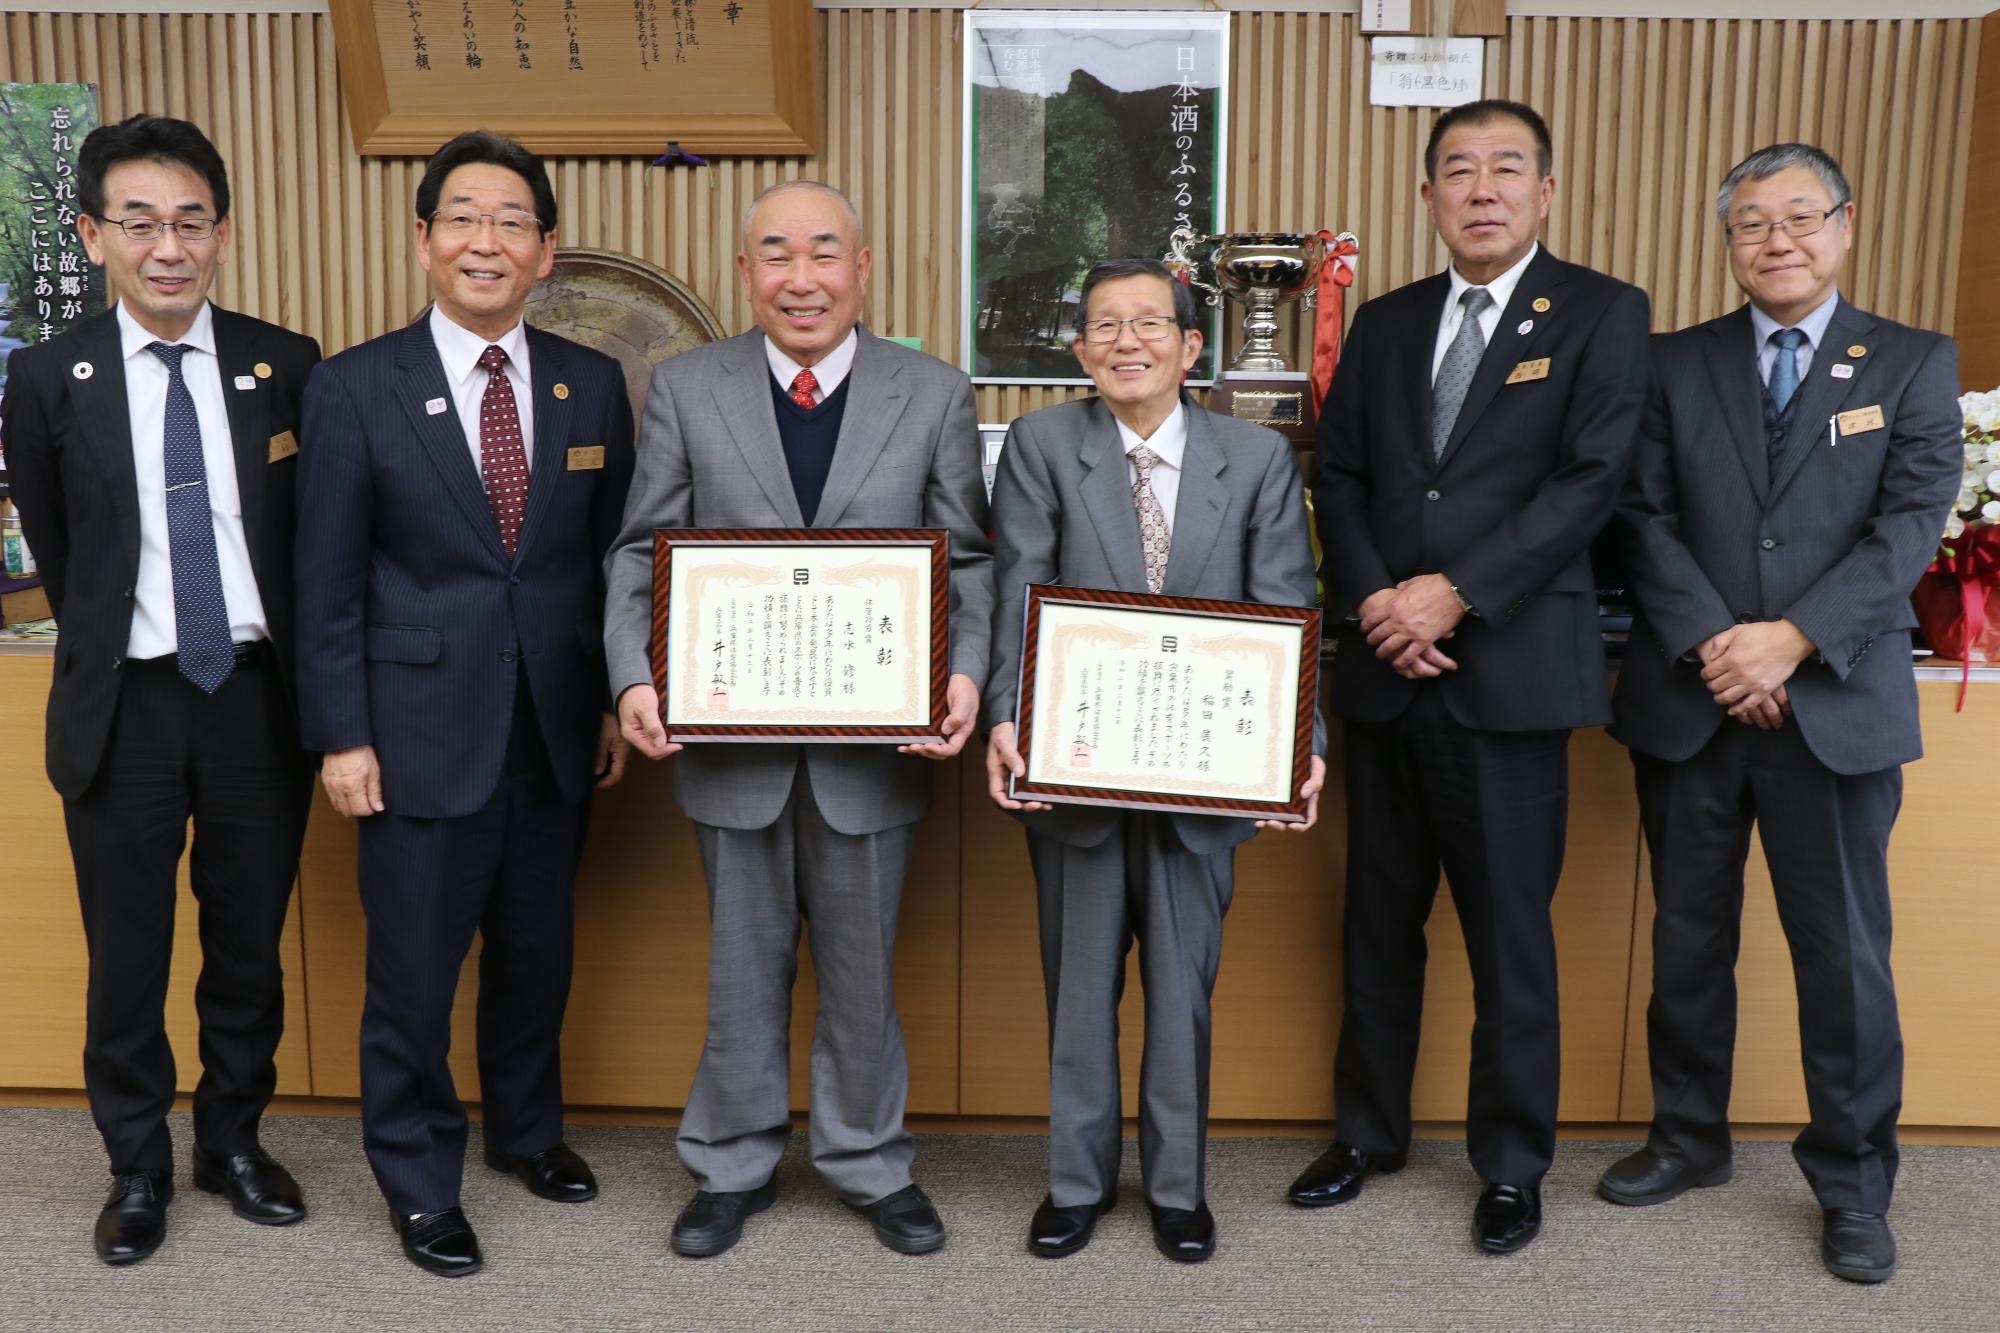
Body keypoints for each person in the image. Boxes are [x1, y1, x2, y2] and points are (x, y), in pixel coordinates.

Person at [605, 180, 993, 1258]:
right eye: (775, 254)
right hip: (731, 743)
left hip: (877, 747)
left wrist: (961, 675)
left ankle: (867, 1161)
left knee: (865, 969)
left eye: (823, 252)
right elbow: (642, 549)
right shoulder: (689, 388)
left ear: (861, 269)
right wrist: (634, 676)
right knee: (741, 965)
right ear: (745, 275)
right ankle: (729, 1162)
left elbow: (966, 556)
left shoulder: (931, 391)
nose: (801, 276)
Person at [1602, 143, 1961, 1284]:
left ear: (1843, 227)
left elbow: (1907, 527)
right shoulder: (1670, 362)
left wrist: (1789, 640)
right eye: (1751, 222)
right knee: (1685, 939)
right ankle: (1685, 1137)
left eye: (1799, 218)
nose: (1776, 240)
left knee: (1843, 959)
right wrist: (1719, 644)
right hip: (1692, 700)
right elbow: (1639, 516)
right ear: (1727, 240)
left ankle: (1854, 1182)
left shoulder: (1908, 362)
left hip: (1834, 706)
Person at [1296, 98, 1650, 1254]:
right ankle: (1366, 1132)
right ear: (1428, 195)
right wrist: (1370, 604)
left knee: (1508, 935)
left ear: (1544, 193)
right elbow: (1338, 476)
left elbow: (1588, 481)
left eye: (1506, 169)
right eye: (1457, 170)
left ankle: (1508, 1164)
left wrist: (1454, 591)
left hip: (1507, 672)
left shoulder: (1601, 312)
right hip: (1388, 674)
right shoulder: (1390, 324)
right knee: (1374, 921)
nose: (1481, 188)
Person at [292, 130, 635, 1277]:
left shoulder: (588, 383)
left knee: (538, 953)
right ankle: (418, 1177)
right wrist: (340, 733)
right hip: (413, 732)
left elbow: (597, 561)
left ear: (546, 252)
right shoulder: (352, 384)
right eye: (463, 219)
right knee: (415, 974)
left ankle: (526, 1133)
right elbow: (325, 580)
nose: (486, 241)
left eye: (511, 223)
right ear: (425, 238)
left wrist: (598, 698)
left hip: (549, 727)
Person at [2, 114, 318, 1266]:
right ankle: (136, 1162)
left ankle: (232, 1139)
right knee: (126, 948)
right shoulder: (44, 379)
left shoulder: (287, 362)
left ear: (223, 233)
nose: (167, 245)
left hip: (253, 696)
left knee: (245, 944)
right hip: (125, 705)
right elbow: (64, 552)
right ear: (93, 236)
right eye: (139, 222)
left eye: (190, 220)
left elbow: (306, 546)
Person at [982, 259, 1325, 1264]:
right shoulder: (1043, 445)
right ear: (1080, 350)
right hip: (1074, 767)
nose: (1125, 341)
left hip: (1203, 772)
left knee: (1182, 991)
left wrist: (1298, 745)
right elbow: (1019, 588)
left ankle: (1176, 1188)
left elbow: (1284, 608)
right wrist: (1008, 715)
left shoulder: (1253, 457)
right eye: (1103, 325)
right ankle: (1076, 1184)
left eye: (1147, 324)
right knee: (1077, 988)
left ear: (1189, 347)